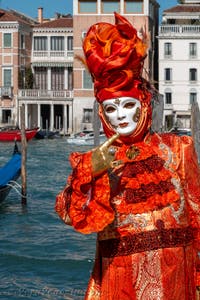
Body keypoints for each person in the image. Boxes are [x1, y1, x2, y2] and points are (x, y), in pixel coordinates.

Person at [55, 12, 200, 300]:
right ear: (101, 113)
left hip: (177, 282)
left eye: (127, 105)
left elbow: (197, 212)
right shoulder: (97, 160)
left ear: (143, 104)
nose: (120, 115)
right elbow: (69, 215)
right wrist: (91, 172)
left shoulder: (177, 149)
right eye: (110, 108)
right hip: (120, 284)